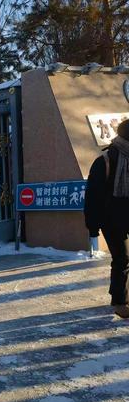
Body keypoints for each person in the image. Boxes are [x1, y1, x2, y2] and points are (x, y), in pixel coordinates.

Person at [85, 119, 129, 318]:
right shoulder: (106, 160)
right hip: (112, 220)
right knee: (122, 259)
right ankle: (120, 302)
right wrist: (92, 227)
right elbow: (92, 197)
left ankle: (119, 293)